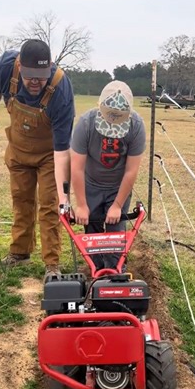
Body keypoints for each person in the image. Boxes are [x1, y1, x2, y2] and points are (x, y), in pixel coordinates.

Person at [0, 39, 75, 277]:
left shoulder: (60, 88)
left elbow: (62, 149)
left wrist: (64, 196)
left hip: (49, 155)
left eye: (41, 76)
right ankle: (20, 253)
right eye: (30, 76)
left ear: (50, 67)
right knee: (21, 200)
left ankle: (52, 265)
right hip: (18, 149)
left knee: (49, 205)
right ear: (19, 65)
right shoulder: (6, 65)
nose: (35, 82)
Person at [70, 80, 146, 271]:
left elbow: (131, 170)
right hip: (91, 184)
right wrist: (81, 205)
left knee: (115, 234)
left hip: (118, 187)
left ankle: (114, 271)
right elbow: (77, 167)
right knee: (92, 229)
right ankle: (95, 271)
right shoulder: (86, 124)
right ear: (99, 108)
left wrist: (118, 205)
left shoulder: (136, 126)